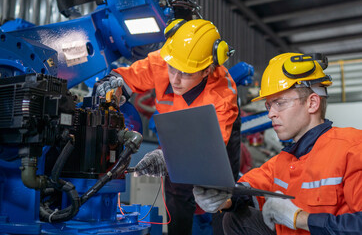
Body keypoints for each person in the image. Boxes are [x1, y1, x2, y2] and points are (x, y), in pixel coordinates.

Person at [94, 19, 241, 235]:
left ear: (207, 69)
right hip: (177, 130)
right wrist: (112, 86)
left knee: (220, 194)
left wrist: (167, 157)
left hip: (211, 138)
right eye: (173, 69)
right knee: (176, 191)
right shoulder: (164, 61)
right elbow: (127, 79)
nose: (176, 79)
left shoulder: (221, 98)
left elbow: (208, 153)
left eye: (187, 73)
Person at [193, 52, 362, 235]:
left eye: (279, 103)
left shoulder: (352, 149)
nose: (271, 113)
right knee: (235, 218)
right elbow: (249, 190)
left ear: (312, 103)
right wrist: (221, 199)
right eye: (269, 105)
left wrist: (301, 219)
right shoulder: (283, 162)